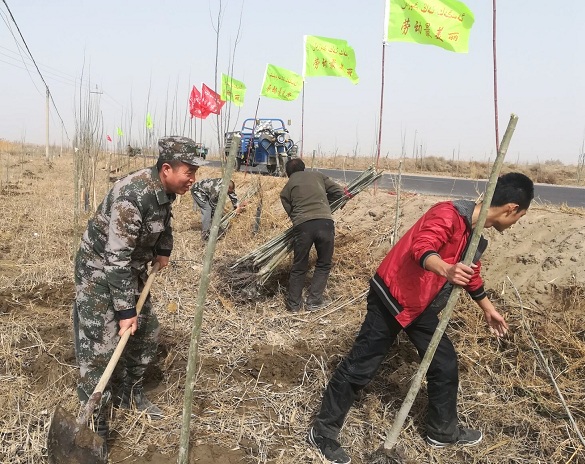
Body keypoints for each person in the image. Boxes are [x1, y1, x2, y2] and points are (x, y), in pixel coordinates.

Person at [307, 173, 534, 464]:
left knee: (444, 361)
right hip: (392, 296)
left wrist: (488, 308)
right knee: (361, 365)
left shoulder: (475, 234)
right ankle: (322, 432)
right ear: (511, 209)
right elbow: (422, 248)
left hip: (420, 305)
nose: (516, 223)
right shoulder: (449, 214)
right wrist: (446, 269)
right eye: (520, 217)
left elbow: (470, 273)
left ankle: (442, 432)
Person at [73, 136, 208, 458]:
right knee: (101, 347)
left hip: (129, 269)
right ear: (167, 168)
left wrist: (163, 249)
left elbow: (163, 222)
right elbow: (115, 258)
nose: (193, 179)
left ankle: (129, 392)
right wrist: (124, 311)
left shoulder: (165, 191)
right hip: (99, 271)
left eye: (195, 172)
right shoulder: (132, 195)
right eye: (189, 172)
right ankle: (95, 422)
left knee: (146, 333)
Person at [280, 158, 347, 312]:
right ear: (303, 168)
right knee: (323, 263)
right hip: (325, 224)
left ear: (288, 173)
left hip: (303, 227)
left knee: (299, 266)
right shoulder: (318, 176)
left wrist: (297, 218)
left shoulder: (288, 186)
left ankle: (294, 305)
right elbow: (339, 192)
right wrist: (325, 204)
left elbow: (287, 205)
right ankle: (314, 301)